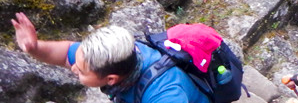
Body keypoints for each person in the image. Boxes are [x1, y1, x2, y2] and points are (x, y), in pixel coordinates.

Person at [11, 12, 210, 103]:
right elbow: (65, 54)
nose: (72, 68)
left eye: (80, 71)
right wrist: (34, 48)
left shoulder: (165, 95)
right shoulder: (113, 55)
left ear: (111, 79)